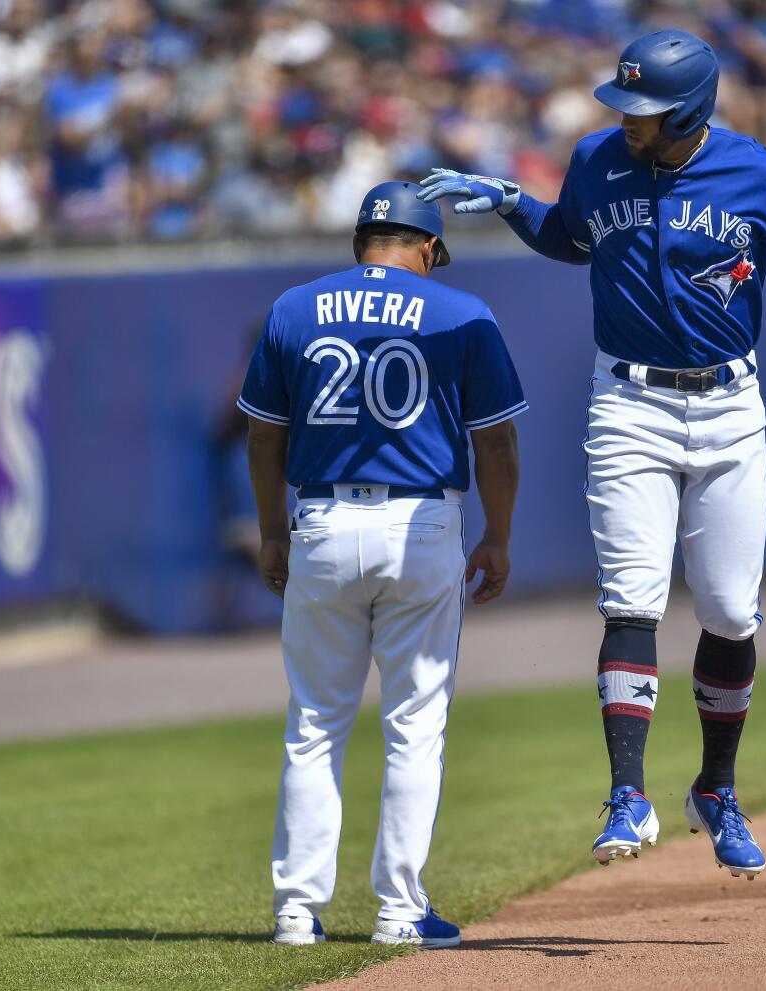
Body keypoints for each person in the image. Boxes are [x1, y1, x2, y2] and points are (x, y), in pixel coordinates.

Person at [418, 28, 766, 878]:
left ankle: (715, 789)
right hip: (629, 400)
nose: (628, 120)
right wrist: (508, 201)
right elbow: (571, 238)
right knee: (631, 596)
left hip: (729, 406)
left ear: (691, 111)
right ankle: (628, 793)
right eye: (626, 104)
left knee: (728, 612)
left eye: (645, 110)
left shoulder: (757, 170)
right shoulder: (597, 158)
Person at [241, 180, 526, 946]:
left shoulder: (295, 307)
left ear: (361, 242)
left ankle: (296, 912)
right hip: (421, 522)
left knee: (314, 724)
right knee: (414, 726)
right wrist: (497, 535)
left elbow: (265, 435)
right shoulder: (462, 311)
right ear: (428, 246)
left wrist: (273, 530)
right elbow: (494, 441)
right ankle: (399, 912)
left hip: (323, 517)